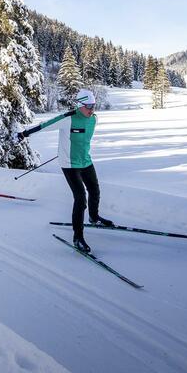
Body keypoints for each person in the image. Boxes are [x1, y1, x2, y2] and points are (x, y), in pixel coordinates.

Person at [15, 89, 113, 252]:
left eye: (94, 106)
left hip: (85, 161)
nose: (92, 110)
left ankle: (94, 217)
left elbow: (82, 140)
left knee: (95, 190)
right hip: (69, 164)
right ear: (80, 105)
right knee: (81, 198)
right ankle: (78, 237)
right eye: (88, 106)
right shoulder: (67, 119)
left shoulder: (93, 119)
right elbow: (44, 126)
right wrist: (24, 133)